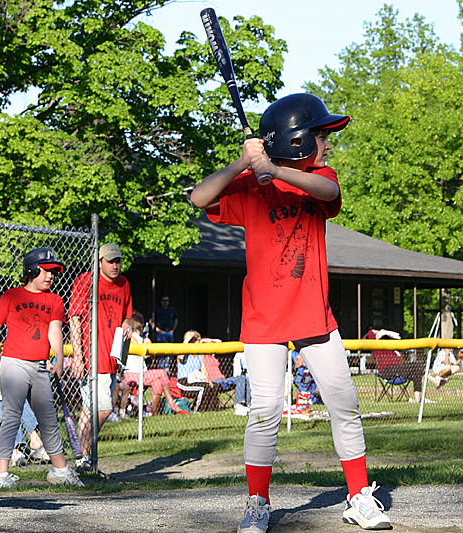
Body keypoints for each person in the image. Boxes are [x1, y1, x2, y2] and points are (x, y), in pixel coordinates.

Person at [191, 93, 391, 532]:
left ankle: (359, 497)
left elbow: (330, 191)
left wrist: (276, 170)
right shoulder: (250, 189)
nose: (329, 143)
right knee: (264, 412)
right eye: (320, 136)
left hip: (314, 315)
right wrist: (243, 164)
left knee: (344, 403)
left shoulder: (319, 177)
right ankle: (257, 503)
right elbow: (199, 198)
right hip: (263, 319)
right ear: (298, 140)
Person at [0, 247, 83, 488]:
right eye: (46, 271)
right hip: (14, 363)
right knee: (11, 417)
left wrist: (59, 357)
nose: (51, 276)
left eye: (54, 272)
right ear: (31, 271)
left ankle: (60, 471)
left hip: (40, 365)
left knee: (48, 418)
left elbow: (55, 330)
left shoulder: (54, 300)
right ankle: (1, 474)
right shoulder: (11, 296)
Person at [69, 243, 133, 471]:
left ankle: (82, 460)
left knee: (89, 409)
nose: (115, 265)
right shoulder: (86, 280)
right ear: (99, 262)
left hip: (111, 357)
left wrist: (127, 325)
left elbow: (126, 316)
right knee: (103, 409)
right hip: (90, 356)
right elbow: (74, 318)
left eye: (118, 261)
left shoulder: (124, 284)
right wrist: (78, 356)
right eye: (110, 261)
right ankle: (83, 455)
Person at [0, 367, 50, 465]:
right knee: (12, 410)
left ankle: (34, 439)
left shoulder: (18, 374)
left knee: (20, 403)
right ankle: (16, 450)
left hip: (13, 403)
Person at [121, 317, 188, 415]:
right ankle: (171, 402)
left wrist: (148, 343)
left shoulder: (140, 338)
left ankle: (152, 412)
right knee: (162, 373)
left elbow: (150, 354)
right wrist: (145, 343)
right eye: (142, 326)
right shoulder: (131, 338)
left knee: (158, 382)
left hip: (141, 373)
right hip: (130, 374)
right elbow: (143, 353)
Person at [192, 331, 252, 416]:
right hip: (214, 382)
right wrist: (201, 341)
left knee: (246, 379)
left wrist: (209, 340)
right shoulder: (201, 355)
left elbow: (219, 342)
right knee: (241, 378)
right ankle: (238, 405)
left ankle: (249, 405)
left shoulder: (212, 355)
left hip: (223, 380)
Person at [176, 330, 219, 412]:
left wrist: (208, 381)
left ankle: (211, 410)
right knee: (203, 388)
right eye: (194, 340)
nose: (197, 342)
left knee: (214, 386)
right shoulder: (183, 352)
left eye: (197, 340)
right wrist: (186, 340)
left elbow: (203, 369)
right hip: (184, 382)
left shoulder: (200, 354)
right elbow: (180, 357)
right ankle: (197, 410)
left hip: (196, 379)